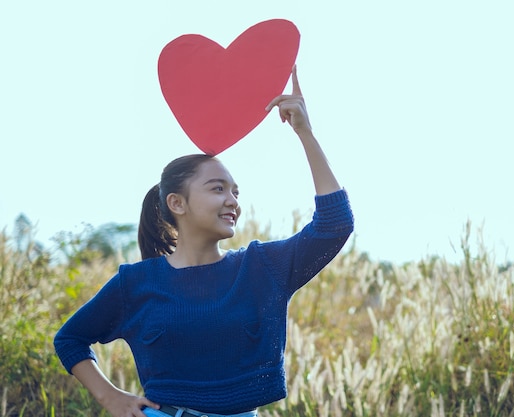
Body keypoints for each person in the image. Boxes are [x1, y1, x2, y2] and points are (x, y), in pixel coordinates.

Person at [53, 66, 354, 417]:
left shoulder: (260, 268)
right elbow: (70, 339)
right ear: (177, 203)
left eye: (235, 191)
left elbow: (335, 225)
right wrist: (111, 397)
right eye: (218, 189)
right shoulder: (135, 284)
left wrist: (305, 132)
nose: (233, 201)